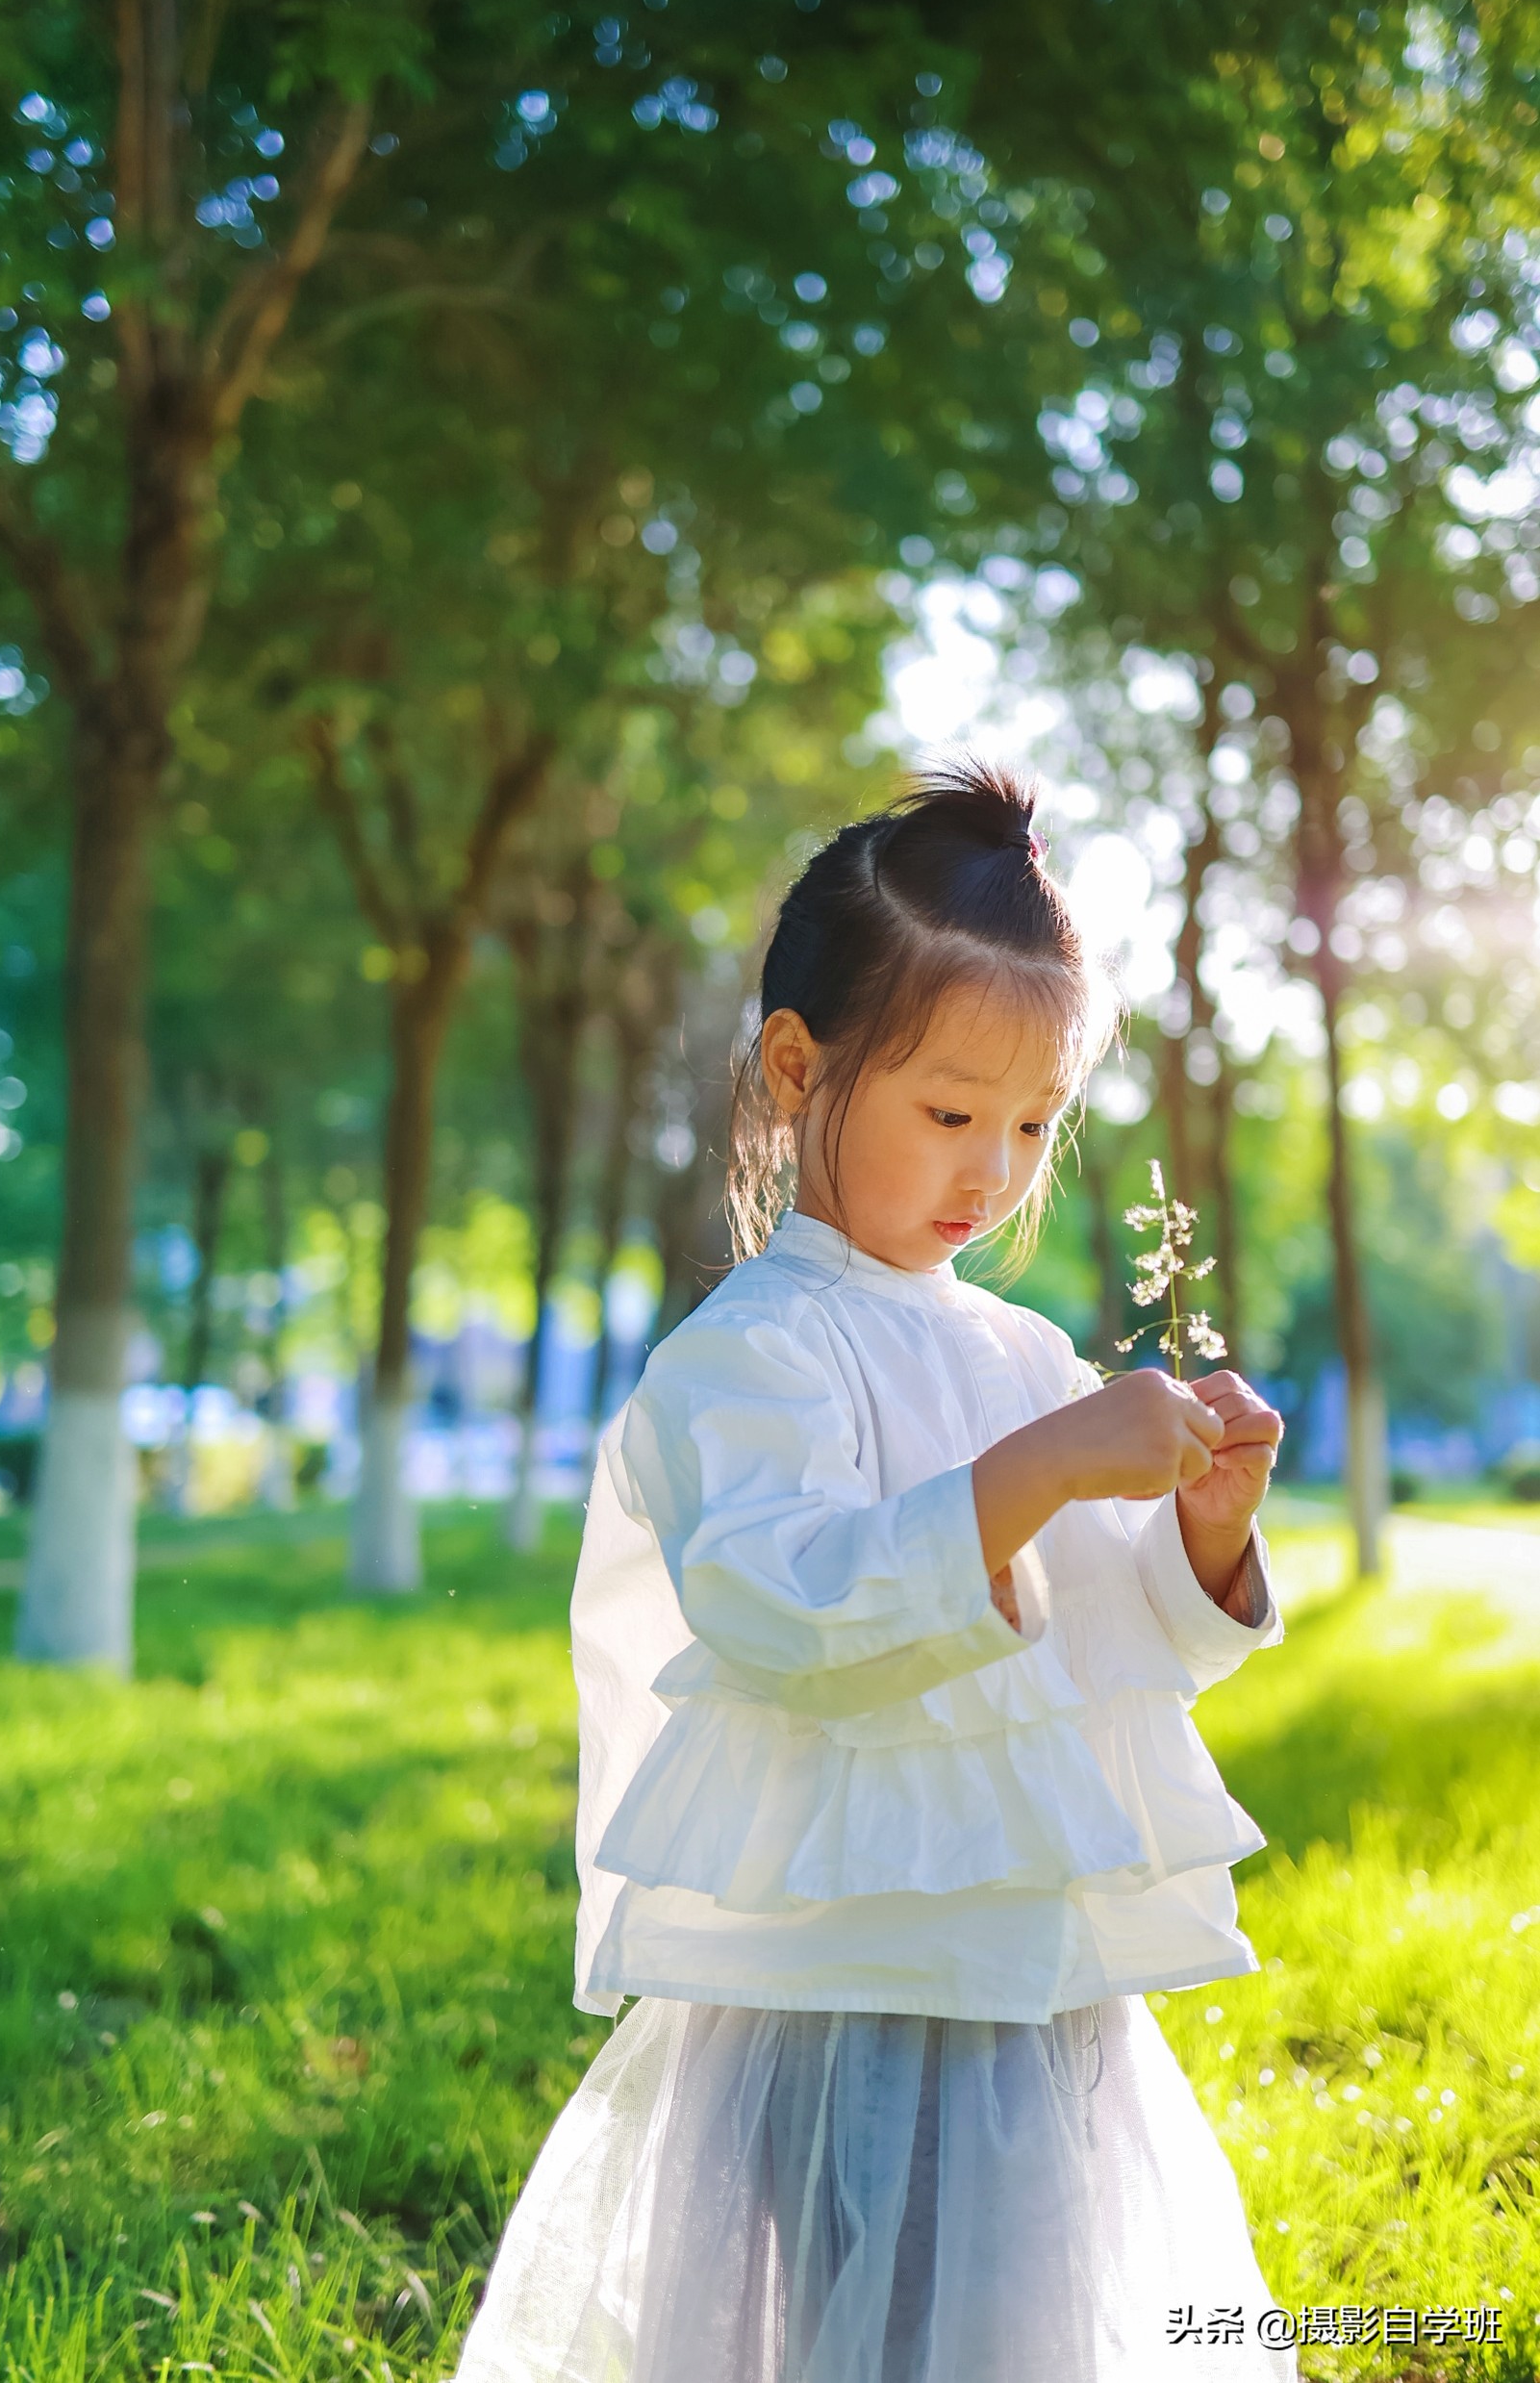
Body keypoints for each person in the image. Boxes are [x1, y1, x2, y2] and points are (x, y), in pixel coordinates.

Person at [454, 761, 1296, 2383]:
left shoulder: (1020, 1348)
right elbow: (785, 1606)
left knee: (1023, 2317)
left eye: (1034, 1123)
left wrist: (1199, 1531)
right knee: (863, 2322)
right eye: (949, 1113)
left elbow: (1113, 1637)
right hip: (835, 1978)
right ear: (796, 1067)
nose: (993, 1170)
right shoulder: (750, 1356)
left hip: (1026, 1972)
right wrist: (1040, 1468)